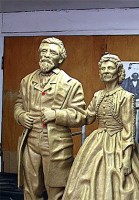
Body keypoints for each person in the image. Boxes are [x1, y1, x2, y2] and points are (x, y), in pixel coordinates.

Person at [63, 53, 139, 200]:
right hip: (97, 144)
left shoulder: (127, 97)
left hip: (120, 144)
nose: (106, 71)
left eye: (110, 68)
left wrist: (127, 158)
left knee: (124, 186)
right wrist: (64, 115)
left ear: (118, 72)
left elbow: (129, 129)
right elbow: (87, 117)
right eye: (103, 68)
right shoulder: (98, 95)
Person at [14, 37, 86, 200]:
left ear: (60, 58)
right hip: (30, 141)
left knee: (57, 190)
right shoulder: (27, 81)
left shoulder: (71, 84)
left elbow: (80, 116)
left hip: (56, 144)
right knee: (31, 188)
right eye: (43, 51)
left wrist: (56, 115)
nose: (46, 55)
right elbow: (19, 104)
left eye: (52, 52)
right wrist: (20, 115)